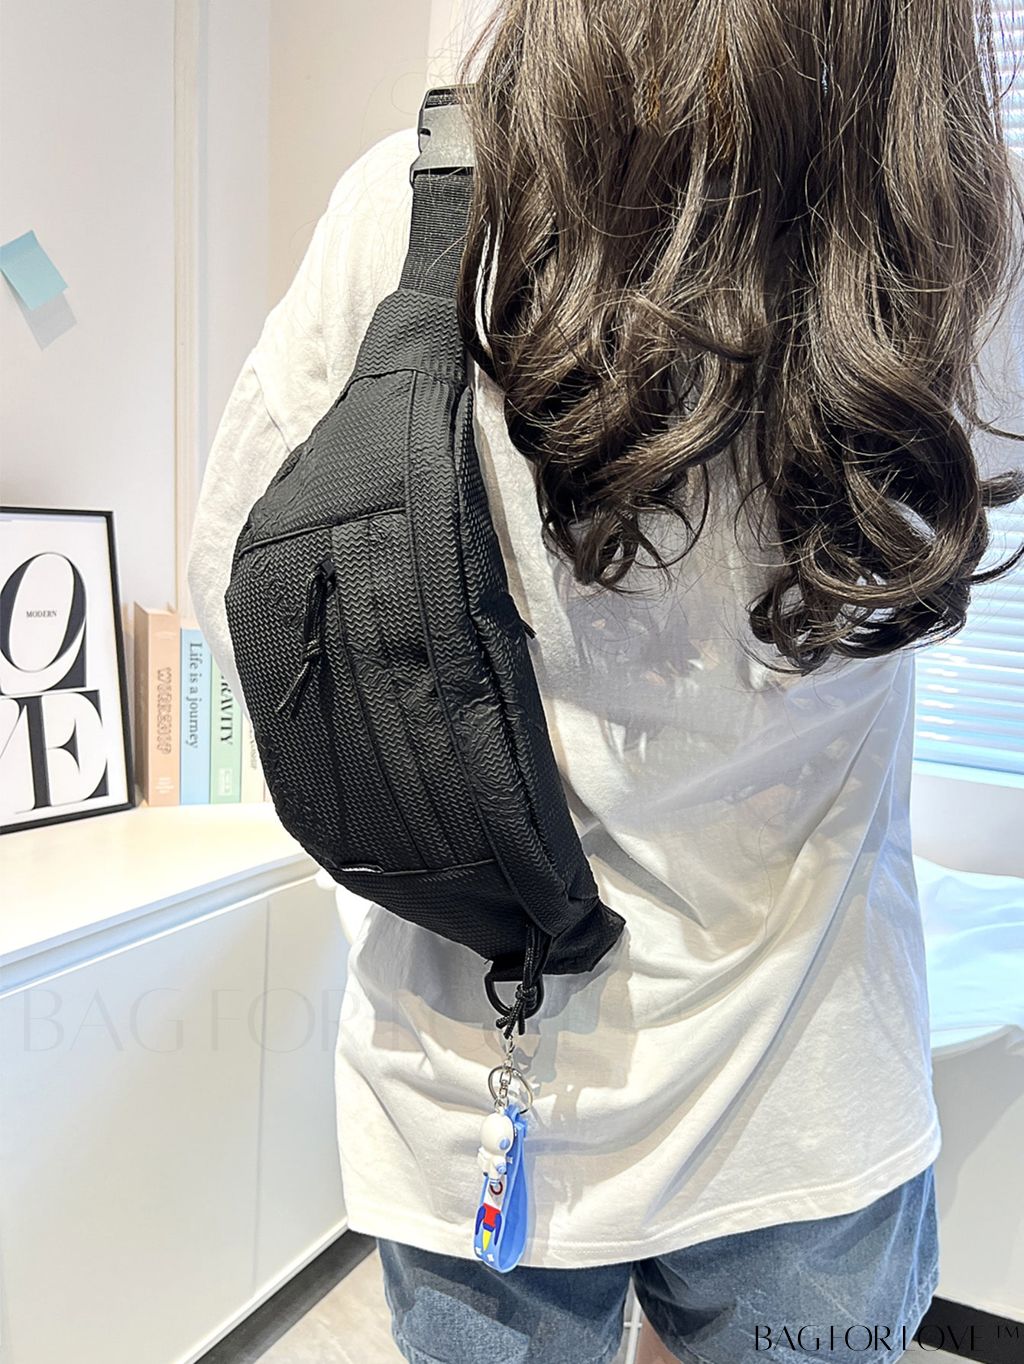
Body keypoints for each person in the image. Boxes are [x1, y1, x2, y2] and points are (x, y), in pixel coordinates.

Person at [186, 4, 1024, 1361]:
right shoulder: (955, 247)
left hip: (471, 1077)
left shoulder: (414, 203)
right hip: (807, 1091)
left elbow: (251, 594)